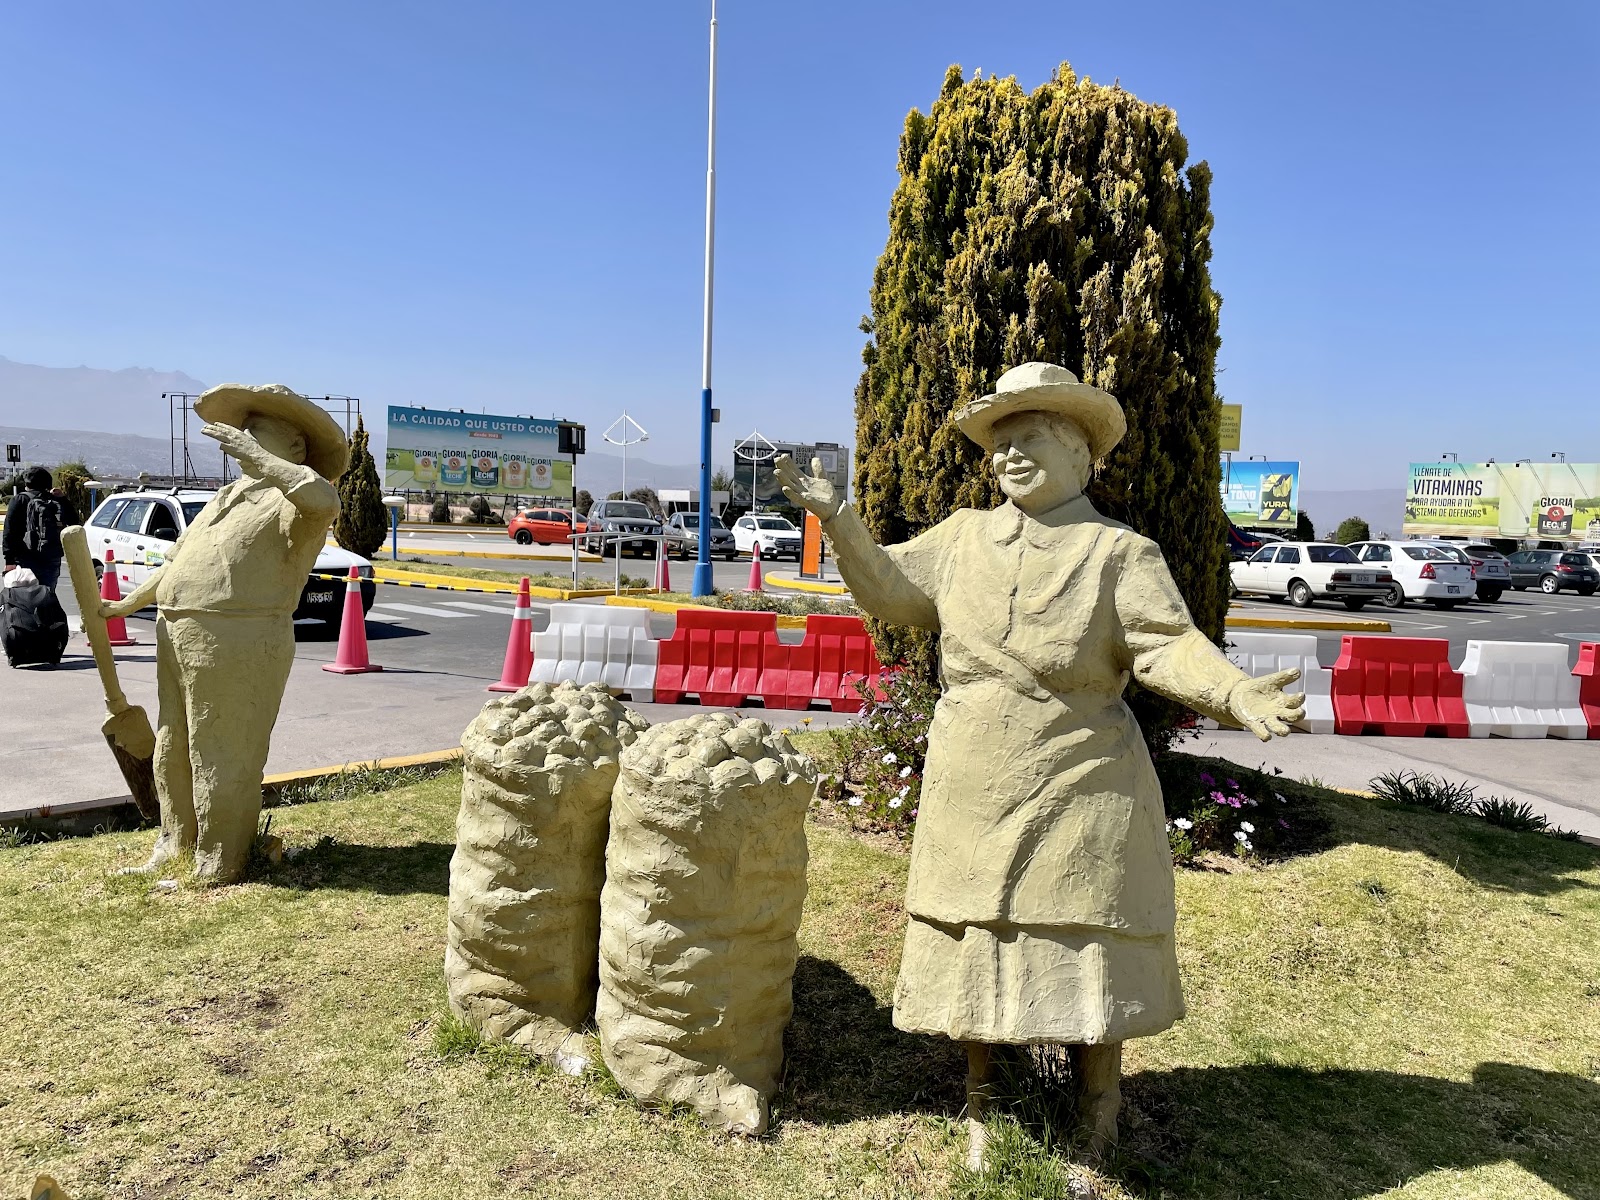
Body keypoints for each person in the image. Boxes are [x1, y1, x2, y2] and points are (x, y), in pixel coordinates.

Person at [775, 362, 1303, 1167]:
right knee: (977, 933)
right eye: (1001, 444)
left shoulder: (1118, 553)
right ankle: (985, 1099)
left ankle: (1099, 1105)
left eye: (1031, 440)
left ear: (1080, 456)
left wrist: (1234, 692)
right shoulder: (962, 538)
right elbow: (891, 588)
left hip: (1082, 775)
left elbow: (1166, 647)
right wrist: (841, 525)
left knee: (1088, 933)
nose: (1010, 456)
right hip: (975, 775)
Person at [100, 384, 347, 883]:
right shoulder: (226, 497)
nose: (237, 443)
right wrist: (127, 604)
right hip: (178, 629)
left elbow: (325, 503)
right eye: (242, 434)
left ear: (295, 450)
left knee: (222, 749)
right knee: (173, 743)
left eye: (256, 434)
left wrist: (264, 461)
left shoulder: (291, 502)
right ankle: (176, 841)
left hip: (240, 637)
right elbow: (179, 562)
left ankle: (220, 858)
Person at [3, 466, 79, 590]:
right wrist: (63, 499)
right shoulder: (55, 500)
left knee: (25, 598)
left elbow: (9, 531)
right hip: (51, 556)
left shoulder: (20, 499)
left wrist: (9, 560)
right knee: (47, 595)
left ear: (27, 483)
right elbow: (74, 523)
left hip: (25, 557)